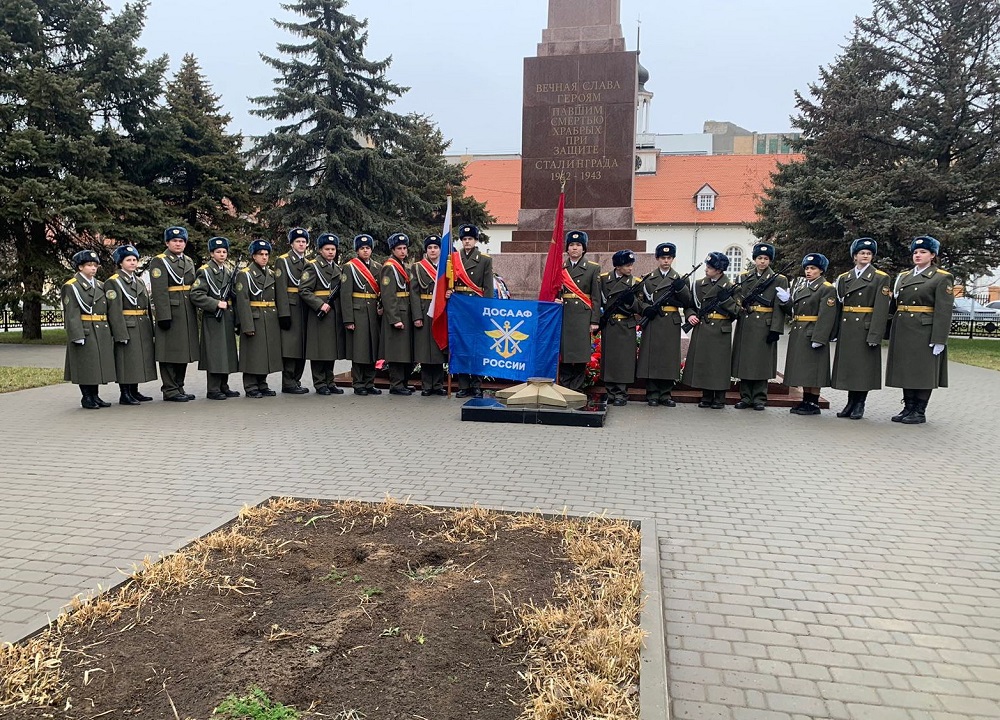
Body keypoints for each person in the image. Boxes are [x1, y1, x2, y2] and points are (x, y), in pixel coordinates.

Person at [885, 235, 954, 424]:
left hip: (924, 330)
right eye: (915, 252)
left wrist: (940, 338)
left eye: (923, 252)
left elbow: (944, 310)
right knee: (906, 369)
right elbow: (895, 303)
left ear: (932, 255)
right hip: (904, 328)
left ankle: (919, 410)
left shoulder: (941, 277)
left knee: (923, 370)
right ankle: (908, 407)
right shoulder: (905, 277)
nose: (918, 255)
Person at [831, 238, 891, 419]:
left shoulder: (881, 277)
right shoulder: (845, 278)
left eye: (869, 253)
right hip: (848, 328)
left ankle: (860, 404)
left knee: (863, 369)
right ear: (854, 256)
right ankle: (850, 402)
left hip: (865, 326)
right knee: (850, 368)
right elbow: (838, 306)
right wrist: (834, 332)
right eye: (862, 253)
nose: (865, 256)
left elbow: (881, 309)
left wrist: (875, 334)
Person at [776, 253, 838, 415]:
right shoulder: (803, 287)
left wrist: (820, 337)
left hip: (813, 332)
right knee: (804, 369)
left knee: (814, 370)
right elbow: (795, 311)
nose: (809, 271)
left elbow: (827, 315)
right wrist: (786, 301)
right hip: (799, 332)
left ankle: (814, 403)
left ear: (821, 271)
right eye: (807, 268)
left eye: (813, 268)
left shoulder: (826, 288)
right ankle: (806, 400)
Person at [731, 242, 789, 410]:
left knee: (761, 363)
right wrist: (740, 307)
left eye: (765, 258)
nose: (762, 262)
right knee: (746, 362)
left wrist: (776, 329)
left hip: (765, 324)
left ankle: (759, 398)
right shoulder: (745, 277)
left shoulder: (779, 279)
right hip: (747, 322)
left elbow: (779, 305)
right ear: (754, 259)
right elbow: (737, 296)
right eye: (759, 258)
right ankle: (745, 397)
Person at [637, 242, 694, 407]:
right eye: (663, 257)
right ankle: (652, 393)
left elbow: (688, 302)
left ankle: (665, 394)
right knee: (652, 358)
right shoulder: (648, 278)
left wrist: (681, 288)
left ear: (673, 259)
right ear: (657, 258)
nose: (666, 261)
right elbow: (641, 301)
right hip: (654, 320)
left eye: (669, 258)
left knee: (669, 359)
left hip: (671, 320)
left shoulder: (681, 279)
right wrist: (647, 309)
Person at [682, 252, 739, 409]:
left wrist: (726, 300)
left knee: (719, 365)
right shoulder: (699, 284)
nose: (706, 269)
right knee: (705, 362)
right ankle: (706, 396)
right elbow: (690, 305)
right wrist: (690, 315)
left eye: (710, 267)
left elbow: (737, 311)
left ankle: (719, 397)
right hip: (703, 326)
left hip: (721, 329)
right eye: (707, 266)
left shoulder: (731, 287)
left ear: (719, 270)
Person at [149, 226, 199, 402]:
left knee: (183, 352)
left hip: (187, 312)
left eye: (181, 241)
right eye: (174, 241)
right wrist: (163, 316)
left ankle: (179, 386)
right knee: (170, 353)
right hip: (171, 313)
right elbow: (159, 291)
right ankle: (169, 390)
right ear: (167, 242)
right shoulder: (160, 261)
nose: (178, 244)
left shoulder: (188, 261)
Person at [62, 250, 115, 409]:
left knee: (96, 365)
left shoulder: (99, 285)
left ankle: (95, 396)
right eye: (89, 265)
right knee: (86, 365)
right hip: (85, 329)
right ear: (80, 267)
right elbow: (71, 313)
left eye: (95, 265)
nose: (93, 268)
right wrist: (77, 334)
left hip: (100, 329)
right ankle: (86, 397)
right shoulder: (72, 286)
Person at [189, 237, 240, 400]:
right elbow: (196, 295)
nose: (222, 254)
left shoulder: (228, 271)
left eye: (224, 252)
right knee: (215, 353)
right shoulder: (205, 271)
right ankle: (213, 388)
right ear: (211, 253)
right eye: (218, 252)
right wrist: (215, 303)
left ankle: (224, 385)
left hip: (226, 317)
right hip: (213, 317)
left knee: (226, 352)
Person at [447, 224, 494, 398]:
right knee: (461, 346)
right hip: (460, 308)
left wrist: (488, 308)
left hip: (477, 307)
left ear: (475, 240)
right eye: (464, 239)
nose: (467, 242)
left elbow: (488, 286)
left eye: (470, 239)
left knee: (477, 347)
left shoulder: (484, 259)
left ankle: (476, 384)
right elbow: (448, 281)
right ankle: (463, 385)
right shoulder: (453, 258)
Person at [105, 245, 156, 405]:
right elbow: (114, 310)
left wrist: (151, 328)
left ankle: (134, 390)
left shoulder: (138, 280)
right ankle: (125, 393)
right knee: (126, 360)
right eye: (129, 260)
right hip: (127, 325)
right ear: (120, 263)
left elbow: (146, 306)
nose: (133, 263)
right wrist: (120, 333)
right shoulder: (114, 282)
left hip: (141, 324)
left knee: (137, 360)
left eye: (135, 260)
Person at [300, 233, 346, 395]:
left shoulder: (337, 268)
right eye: (327, 249)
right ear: (320, 250)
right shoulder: (312, 266)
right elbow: (304, 290)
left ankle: (330, 381)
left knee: (330, 350)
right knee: (319, 350)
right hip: (319, 313)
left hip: (333, 313)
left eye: (333, 249)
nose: (331, 252)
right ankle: (320, 383)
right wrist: (319, 305)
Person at [234, 240, 282, 397]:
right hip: (254, 317)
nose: (264, 257)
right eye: (261, 254)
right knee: (253, 354)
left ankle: (262, 383)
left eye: (266, 254)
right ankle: (250, 386)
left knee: (266, 353)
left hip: (269, 318)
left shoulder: (270, 273)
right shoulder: (245, 274)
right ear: (254, 256)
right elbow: (243, 301)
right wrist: (247, 325)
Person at [557, 230, 601, 391]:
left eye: (578, 245)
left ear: (584, 249)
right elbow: (555, 290)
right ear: (567, 249)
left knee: (580, 352)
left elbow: (596, 297)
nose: (574, 248)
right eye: (571, 245)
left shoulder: (592, 268)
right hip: (565, 314)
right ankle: (565, 385)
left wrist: (595, 320)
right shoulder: (560, 267)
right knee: (565, 351)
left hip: (583, 315)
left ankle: (577, 386)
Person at [341, 234, 383, 395]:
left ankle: (369, 382)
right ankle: (358, 383)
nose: (365, 251)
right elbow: (345, 295)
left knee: (373, 349)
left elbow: (381, 292)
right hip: (357, 312)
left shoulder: (377, 267)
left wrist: (381, 307)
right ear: (357, 250)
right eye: (362, 248)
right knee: (359, 350)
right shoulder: (350, 267)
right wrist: (348, 319)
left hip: (372, 312)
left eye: (368, 248)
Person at [599, 250, 642, 406]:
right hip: (610, 324)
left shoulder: (635, 283)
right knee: (610, 360)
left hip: (626, 325)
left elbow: (642, 307)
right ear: (617, 266)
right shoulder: (604, 280)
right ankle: (610, 392)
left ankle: (621, 393)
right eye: (627, 265)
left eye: (631, 265)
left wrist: (632, 301)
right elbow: (599, 301)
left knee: (624, 361)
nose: (630, 268)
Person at [410, 234, 448, 396]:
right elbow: (414, 293)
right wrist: (417, 316)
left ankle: (438, 385)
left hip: (441, 309)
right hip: (425, 309)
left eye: (436, 247)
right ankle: (426, 386)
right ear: (426, 251)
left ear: (440, 250)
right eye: (430, 248)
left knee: (439, 348)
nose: (433, 250)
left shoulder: (447, 267)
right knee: (425, 349)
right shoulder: (418, 267)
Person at [275, 227, 310, 394]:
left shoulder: (308, 263)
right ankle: (288, 382)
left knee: (302, 346)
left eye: (304, 242)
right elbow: (280, 289)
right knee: (290, 347)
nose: (301, 244)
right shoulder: (283, 261)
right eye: (298, 241)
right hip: (291, 307)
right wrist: (283, 313)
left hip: (304, 307)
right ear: (291, 244)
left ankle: (297, 379)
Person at [380, 232, 415, 395]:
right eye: (399, 248)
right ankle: (396, 384)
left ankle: (404, 382)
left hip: (405, 310)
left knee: (405, 350)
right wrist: (394, 318)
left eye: (404, 248)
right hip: (397, 314)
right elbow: (388, 295)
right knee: (396, 351)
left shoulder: (402, 265)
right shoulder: (389, 267)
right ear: (393, 250)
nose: (402, 251)